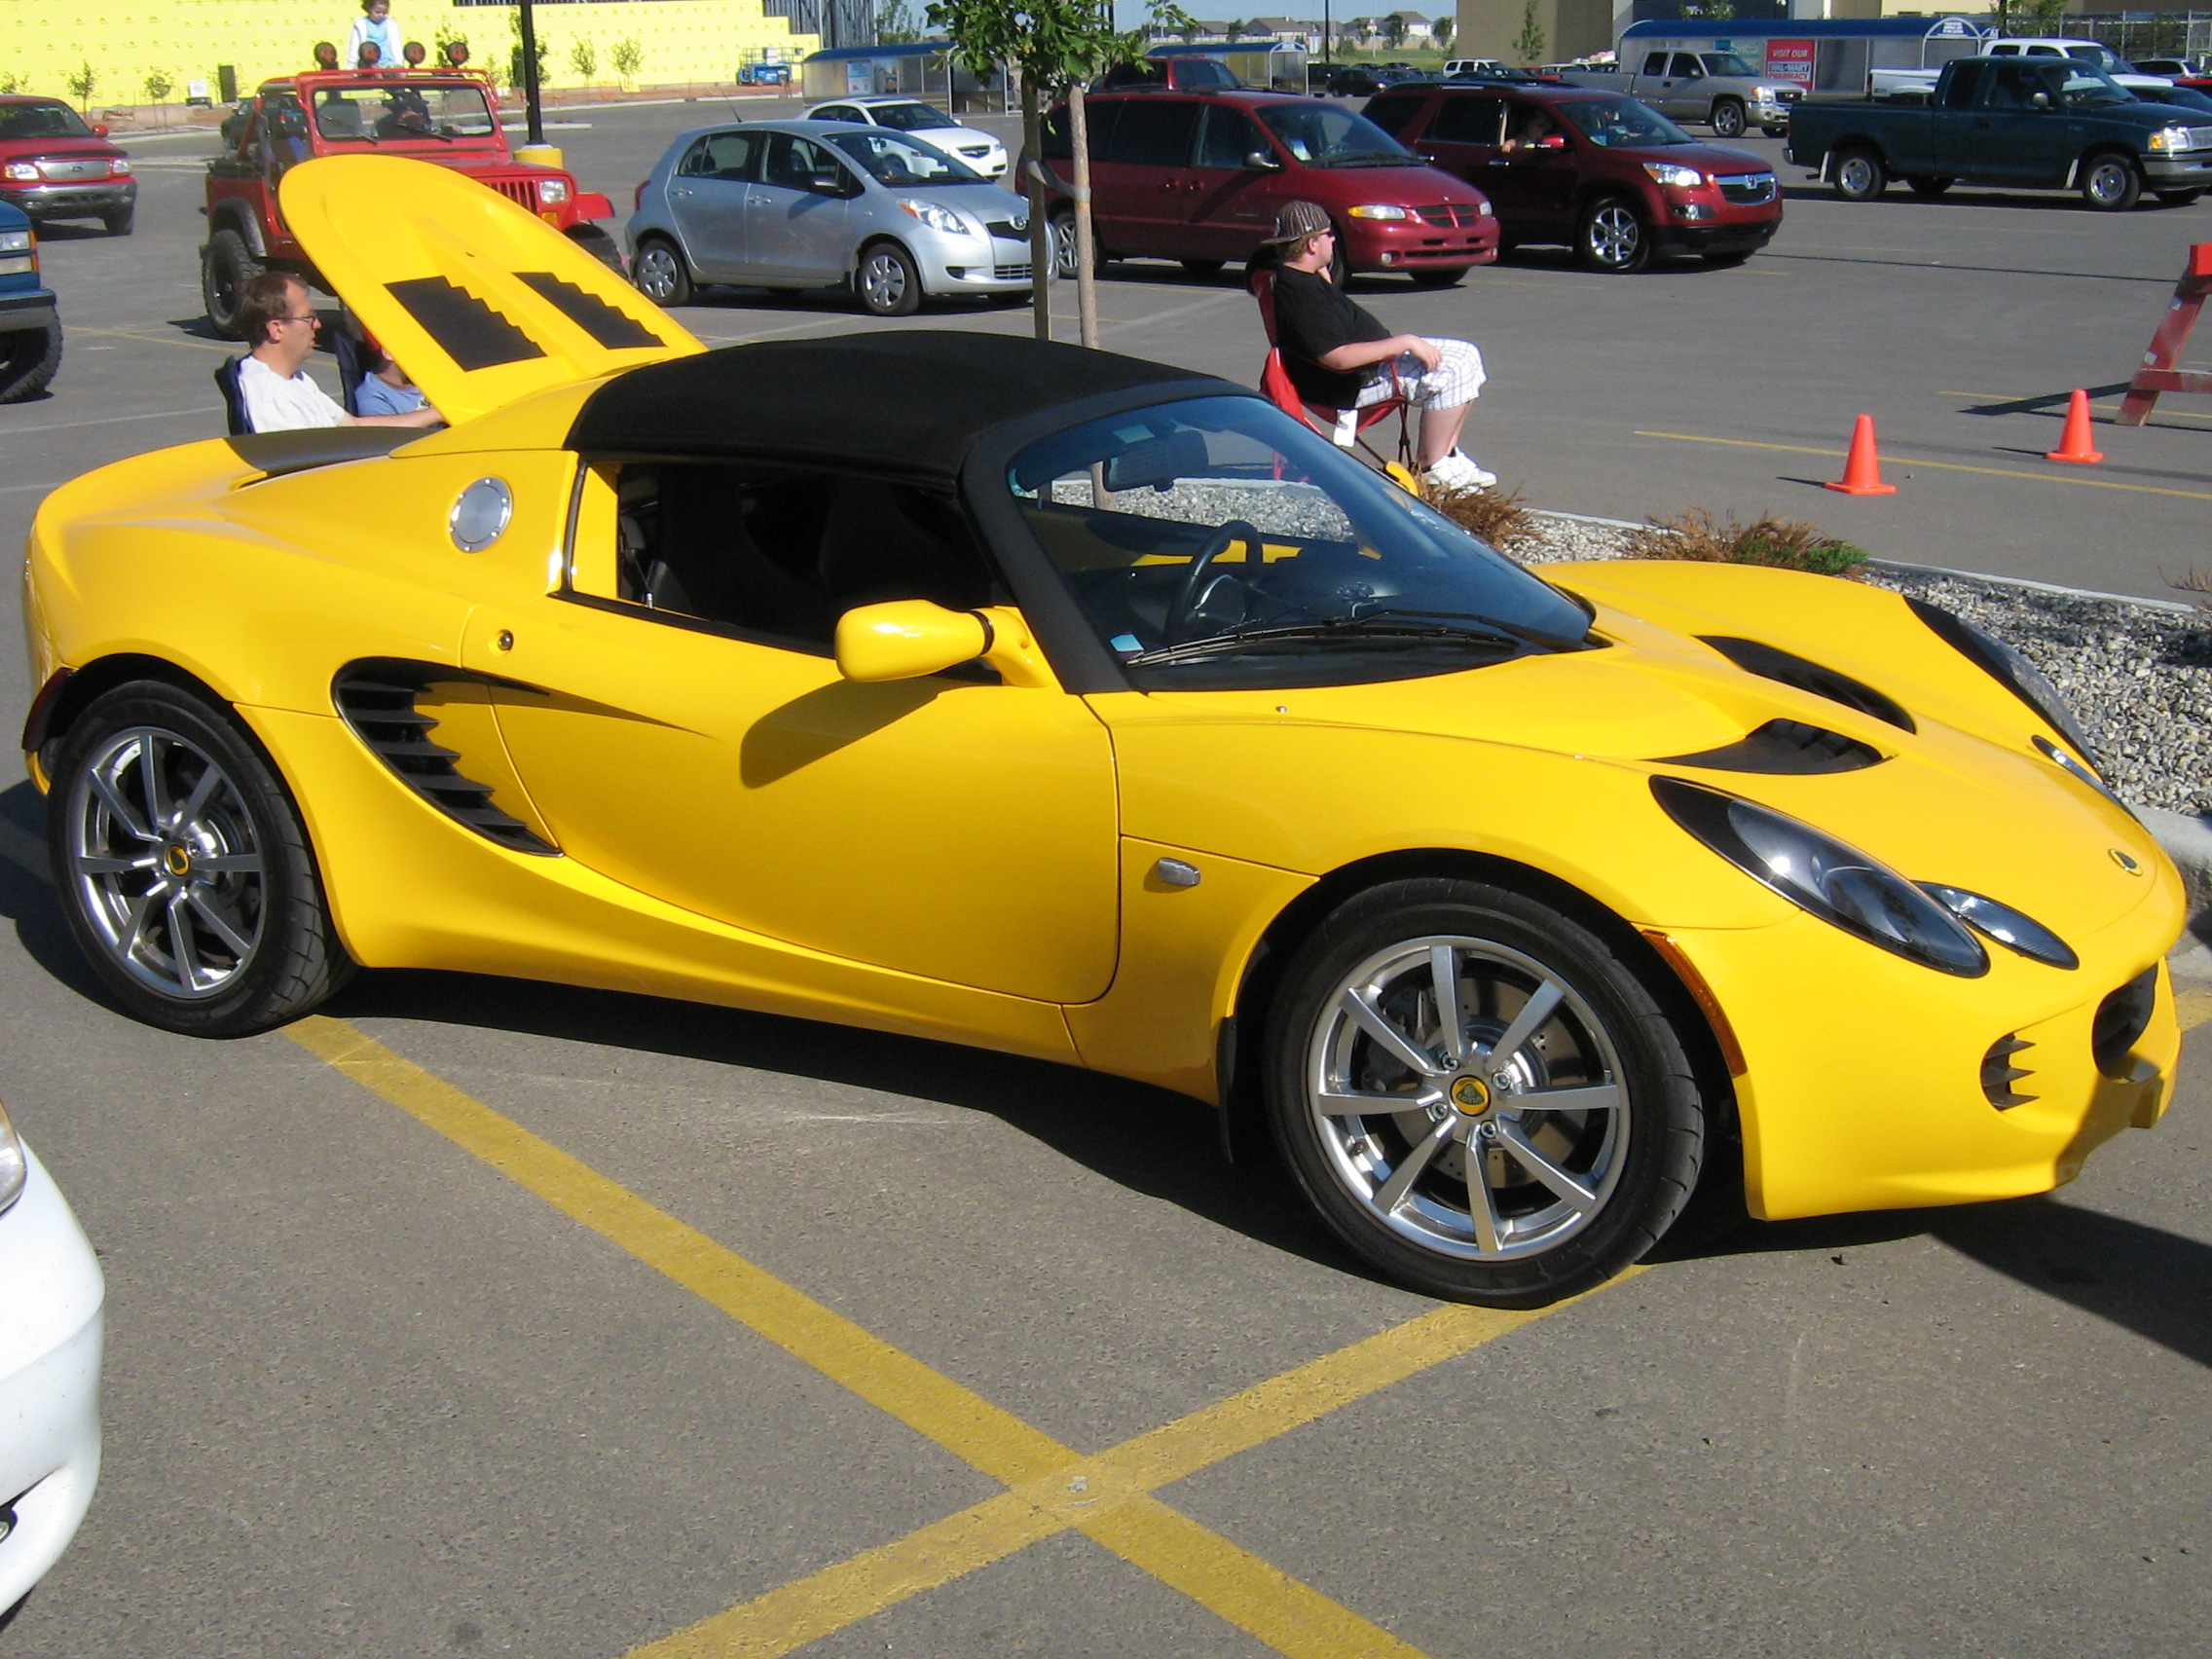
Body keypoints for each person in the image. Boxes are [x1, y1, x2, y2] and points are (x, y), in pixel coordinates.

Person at [1253, 200, 1494, 492]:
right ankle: (1433, 467)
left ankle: (1449, 457)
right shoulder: (1302, 296)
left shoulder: (1293, 274)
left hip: (1366, 366)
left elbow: (1260, 258)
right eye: (1328, 234)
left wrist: (1319, 272)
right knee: (1451, 369)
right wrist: (1403, 343)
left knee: (1468, 354)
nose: (1334, 239)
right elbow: (1337, 358)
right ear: (1312, 244)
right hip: (1352, 382)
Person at [233, 273, 441, 432]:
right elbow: (301, 475)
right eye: (308, 318)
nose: (318, 324)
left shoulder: (295, 380)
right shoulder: (270, 396)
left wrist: (438, 413)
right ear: (276, 329)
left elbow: (355, 427)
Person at [348, 0, 399, 72]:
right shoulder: (360, 24)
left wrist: (399, 63)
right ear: (369, 9)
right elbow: (354, 47)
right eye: (377, 12)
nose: (381, 15)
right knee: (376, 71)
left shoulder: (391, 24)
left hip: (387, 61)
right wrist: (351, 67)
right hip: (368, 62)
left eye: (384, 13)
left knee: (401, 74)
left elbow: (396, 47)